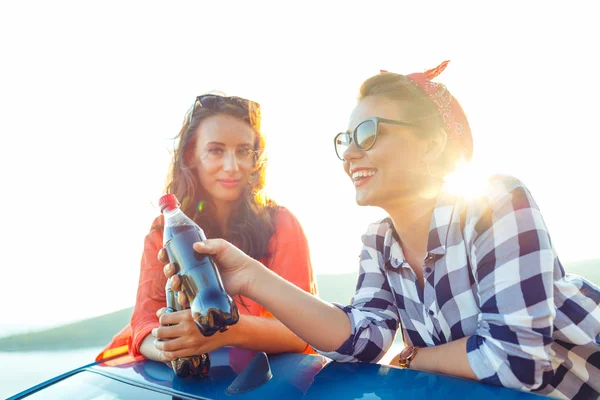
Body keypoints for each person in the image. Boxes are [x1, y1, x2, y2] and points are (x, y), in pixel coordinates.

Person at [167, 63, 600, 399]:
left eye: (369, 133)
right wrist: (247, 277)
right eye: (346, 138)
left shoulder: (496, 203)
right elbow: (362, 338)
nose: (349, 153)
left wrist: (414, 356)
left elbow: (518, 361)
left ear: (431, 145)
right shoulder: (379, 242)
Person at [97, 93, 317, 363]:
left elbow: (302, 330)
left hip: (271, 380)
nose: (232, 166)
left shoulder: (281, 224)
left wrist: (221, 332)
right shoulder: (164, 232)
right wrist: (174, 350)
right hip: (190, 382)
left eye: (244, 151)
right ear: (191, 155)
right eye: (216, 150)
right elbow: (144, 325)